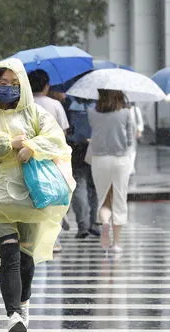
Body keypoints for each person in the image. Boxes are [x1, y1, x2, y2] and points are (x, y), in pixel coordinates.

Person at [0, 58, 72, 332]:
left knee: (25, 258)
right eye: (2, 84)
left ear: (22, 85)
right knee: (8, 255)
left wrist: (32, 147)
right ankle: (12, 314)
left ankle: (23, 304)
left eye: (14, 83)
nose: (8, 88)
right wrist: (6, 144)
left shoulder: (37, 115)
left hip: (31, 197)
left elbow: (57, 141)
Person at [28, 69, 70, 252]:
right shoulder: (55, 105)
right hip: (53, 159)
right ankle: (54, 241)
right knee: (55, 198)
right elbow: (64, 132)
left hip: (29, 159)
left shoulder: (23, 107)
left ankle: (34, 237)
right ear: (46, 86)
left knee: (33, 198)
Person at [88, 89, 134, 252]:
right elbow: (130, 140)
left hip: (99, 160)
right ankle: (117, 243)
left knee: (104, 198)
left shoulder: (92, 112)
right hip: (120, 160)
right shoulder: (126, 113)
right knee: (119, 199)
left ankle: (105, 222)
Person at [67, 97, 100, 239]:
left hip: (77, 149)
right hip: (96, 148)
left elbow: (68, 130)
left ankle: (82, 225)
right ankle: (95, 223)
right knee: (95, 187)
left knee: (79, 186)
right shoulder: (100, 107)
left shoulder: (70, 106)